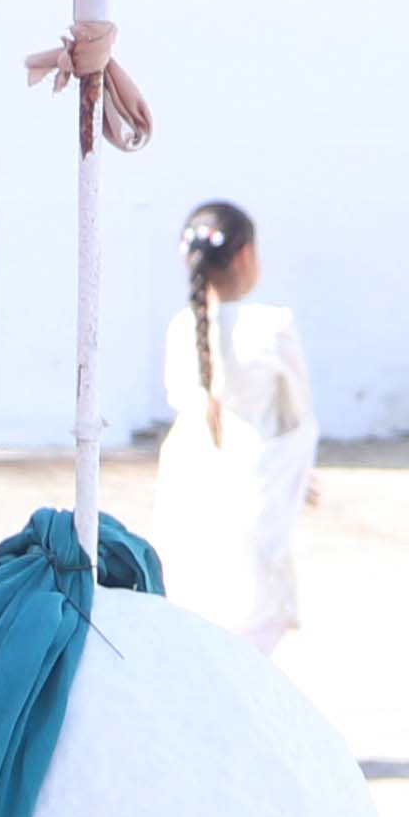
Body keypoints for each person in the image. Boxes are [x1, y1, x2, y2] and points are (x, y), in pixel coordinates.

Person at [153, 197, 313, 654]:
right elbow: (298, 421)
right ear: (245, 255)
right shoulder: (273, 326)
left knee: (194, 620)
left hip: (188, 482)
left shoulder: (180, 327)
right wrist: (299, 477)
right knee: (252, 626)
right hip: (254, 484)